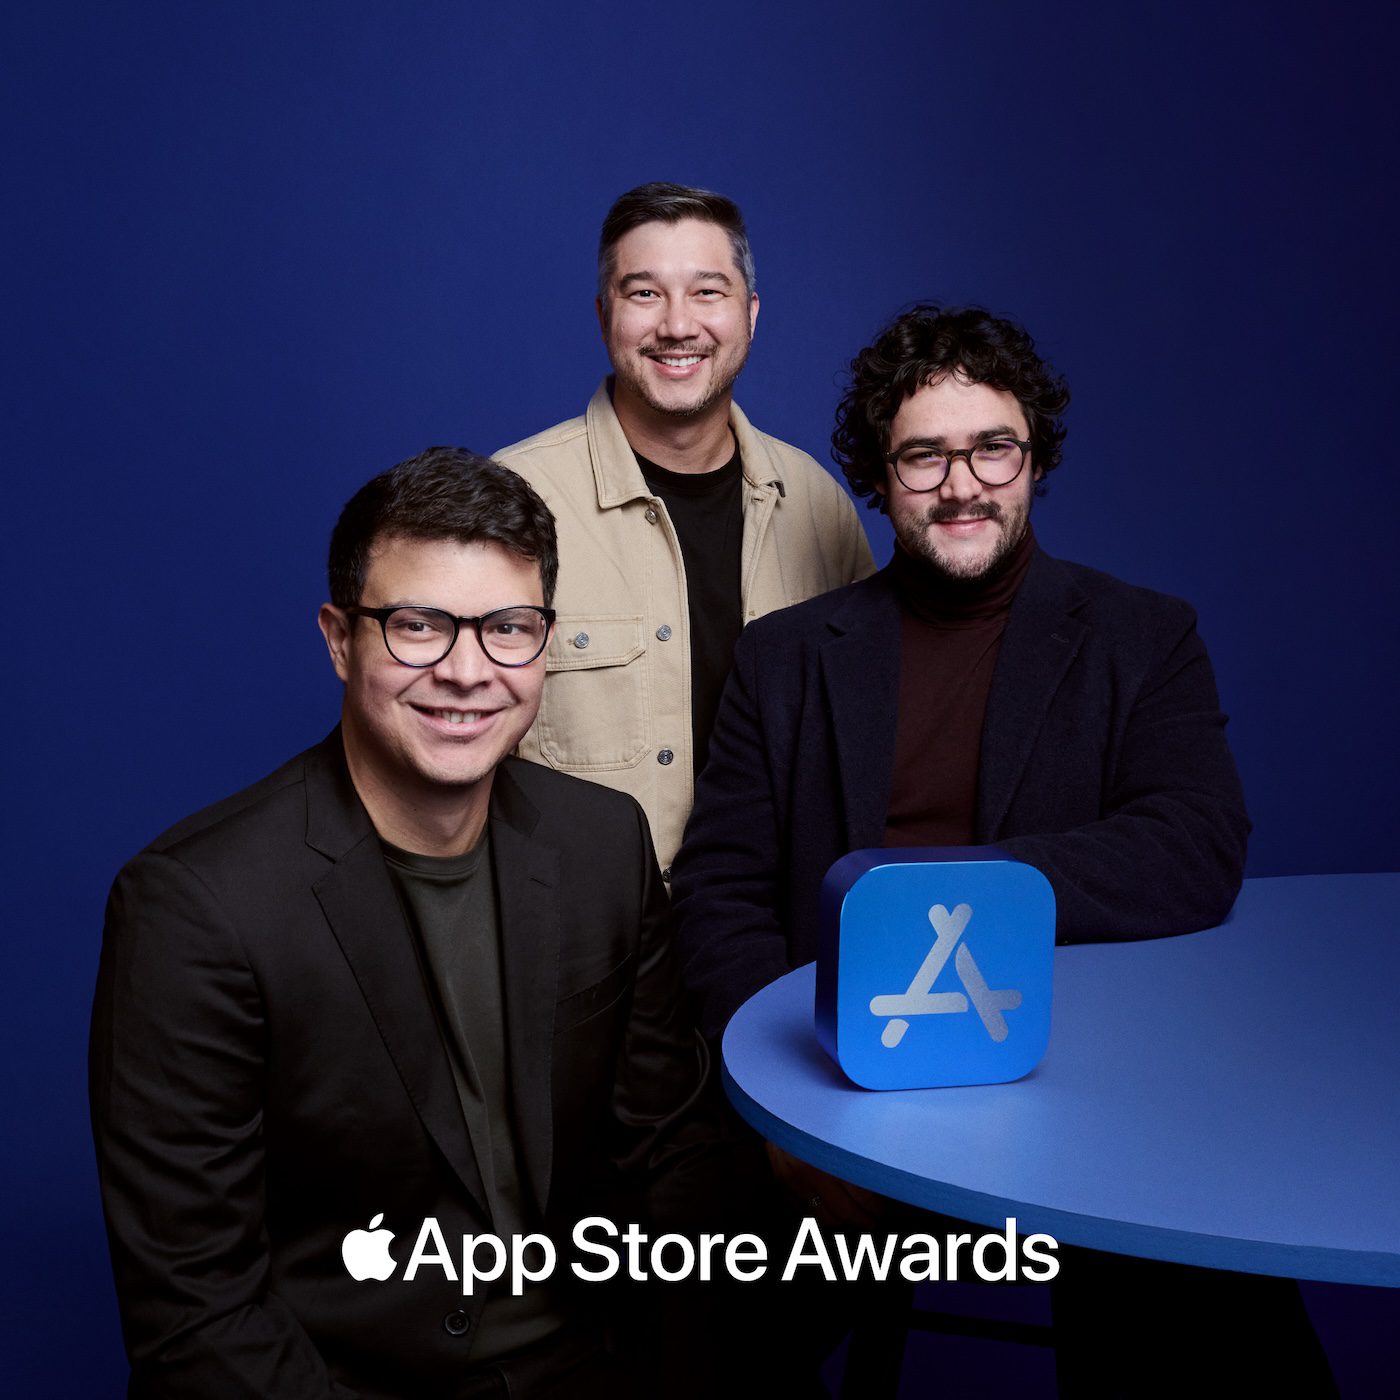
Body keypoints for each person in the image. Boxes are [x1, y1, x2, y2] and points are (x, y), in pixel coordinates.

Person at [671, 305, 1335, 1394]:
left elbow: (1194, 844)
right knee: (667, 1326)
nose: (961, 481)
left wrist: (920, 898)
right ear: (879, 478)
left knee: (1215, 1320)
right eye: (922, 453)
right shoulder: (783, 660)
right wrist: (781, 1118)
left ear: (1034, 460)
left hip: (1084, 1090)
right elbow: (717, 890)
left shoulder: (1143, 634)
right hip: (835, 1087)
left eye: (992, 447)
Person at [90, 449, 730, 1399]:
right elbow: (196, 1313)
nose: (468, 673)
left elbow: (670, 1157)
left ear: (544, 641)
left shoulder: (603, 844)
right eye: (419, 627)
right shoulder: (195, 908)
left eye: (508, 628)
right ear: (340, 639)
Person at [496, 181, 873, 873]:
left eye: (707, 291)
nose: (677, 325)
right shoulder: (513, 502)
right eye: (644, 293)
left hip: (781, 942)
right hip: (589, 945)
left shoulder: (819, 506)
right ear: (605, 312)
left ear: (750, 314)